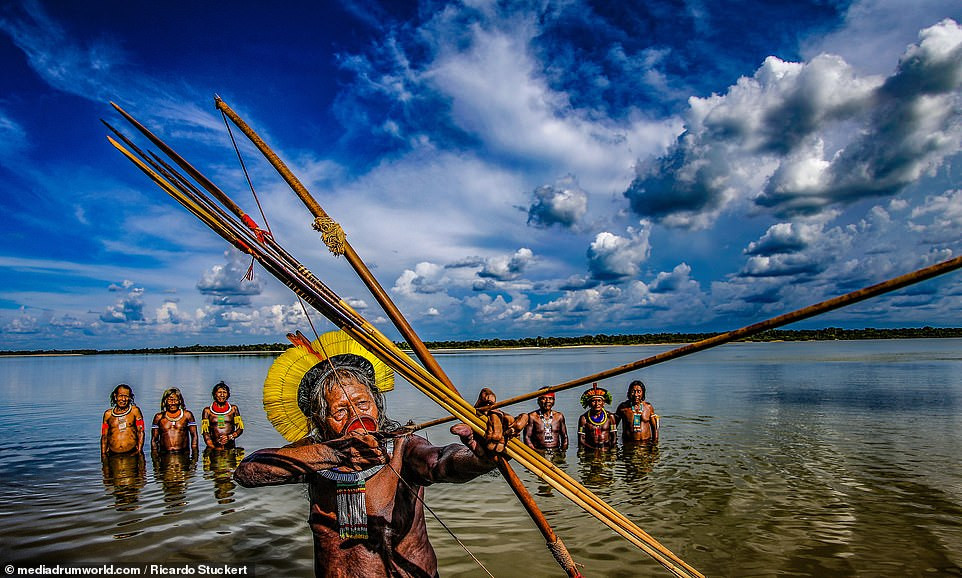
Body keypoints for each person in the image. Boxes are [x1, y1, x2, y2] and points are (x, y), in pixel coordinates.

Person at [234, 353, 514, 578]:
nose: (356, 415)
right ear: (320, 421)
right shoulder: (312, 454)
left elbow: (440, 462)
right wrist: (333, 455)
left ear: (377, 405)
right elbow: (247, 472)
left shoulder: (403, 446)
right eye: (340, 410)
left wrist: (481, 456)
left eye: (362, 403)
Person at [151, 387, 199, 455]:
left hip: (183, 453)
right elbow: (154, 439)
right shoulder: (159, 417)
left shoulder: (187, 415)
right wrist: (155, 458)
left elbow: (194, 436)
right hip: (165, 454)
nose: (173, 403)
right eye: (170, 400)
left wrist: (195, 456)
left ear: (180, 401)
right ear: (165, 401)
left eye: (175, 400)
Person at [101, 383, 145, 456]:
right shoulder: (108, 414)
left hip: (132, 453)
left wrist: (140, 451)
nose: (123, 399)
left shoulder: (135, 411)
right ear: (115, 396)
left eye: (126, 396)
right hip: (113, 454)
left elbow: (141, 431)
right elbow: (104, 436)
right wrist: (103, 454)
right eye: (121, 396)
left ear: (130, 397)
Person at [201, 381, 244, 449]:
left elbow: (240, 428)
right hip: (213, 447)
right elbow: (205, 432)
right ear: (215, 394)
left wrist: (230, 437)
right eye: (219, 392)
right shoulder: (207, 411)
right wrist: (212, 446)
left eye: (224, 393)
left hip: (230, 446)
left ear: (228, 395)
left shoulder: (233, 409)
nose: (222, 395)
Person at [577, 384, 617, 449]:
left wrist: (612, 452)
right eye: (593, 401)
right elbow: (581, 440)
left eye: (599, 401)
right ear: (589, 404)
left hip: (606, 450)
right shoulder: (584, 418)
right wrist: (594, 450)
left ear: (603, 403)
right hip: (590, 450)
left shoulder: (610, 417)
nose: (596, 404)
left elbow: (614, 437)